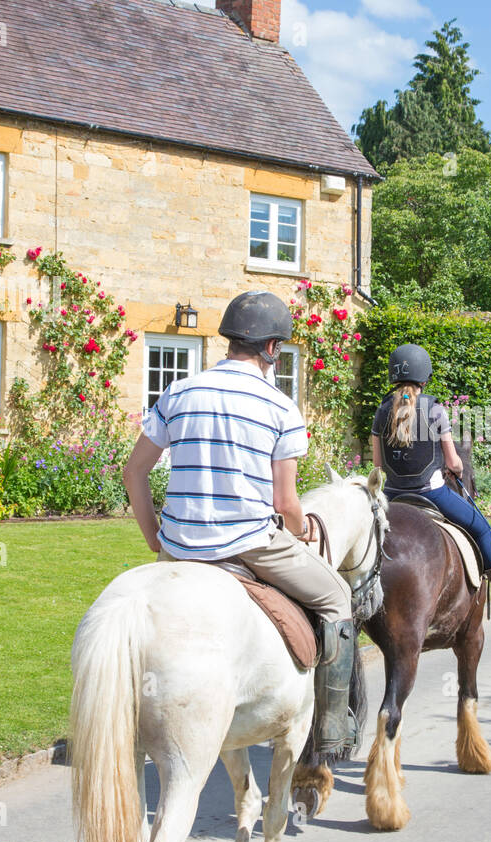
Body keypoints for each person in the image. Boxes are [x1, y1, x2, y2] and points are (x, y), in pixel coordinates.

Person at [122, 290, 358, 754]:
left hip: (179, 545)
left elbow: (134, 472)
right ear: (272, 349)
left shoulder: (178, 392)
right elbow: (286, 502)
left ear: (229, 341)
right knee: (338, 597)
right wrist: (303, 529)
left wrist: (156, 538)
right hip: (248, 541)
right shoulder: (281, 408)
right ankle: (332, 726)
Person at [370, 343, 491, 615]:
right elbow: (453, 462)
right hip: (431, 493)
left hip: (392, 496)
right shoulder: (435, 410)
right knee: (482, 527)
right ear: (425, 377)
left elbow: (378, 465)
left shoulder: (381, 411)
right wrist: (457, 470)